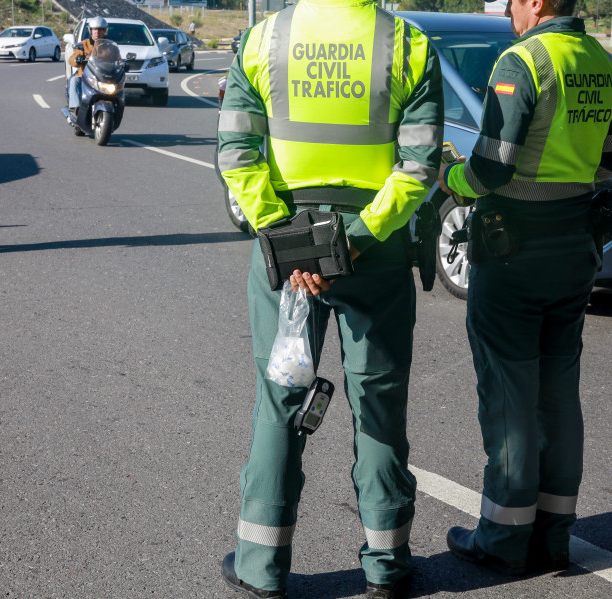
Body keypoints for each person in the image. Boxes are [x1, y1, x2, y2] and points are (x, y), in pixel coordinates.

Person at [217, 0, 443, 596]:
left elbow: (237, 154)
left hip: (287, 249)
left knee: (280, 399)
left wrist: (291, 246)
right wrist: (357, 241)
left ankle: (261, 567)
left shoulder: (262, 39)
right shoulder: (408, 44)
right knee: (379, 404)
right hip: (379, 251)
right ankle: (388, 567)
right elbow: (420, 167)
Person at [437, 0, 612, 577]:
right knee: (558, 391)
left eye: (515, 0)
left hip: (514, 249)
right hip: (576, 248)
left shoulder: (522, 62)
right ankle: (553, 535)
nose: (509, 9)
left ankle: (502, 538)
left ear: (538, 3)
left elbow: (491, 168)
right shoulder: (605, 62)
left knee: (509, 394)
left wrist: (449, 178)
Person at [67, 17, 107, 117]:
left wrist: (123, 64)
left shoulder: (109, 46)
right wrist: (77, 59)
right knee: (74, 80)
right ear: (91, 30)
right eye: (95, 29)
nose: (97, 32)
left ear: (105, 31)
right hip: (85, 76)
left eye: (100, 29)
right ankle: (75, 109)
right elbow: (72, 59)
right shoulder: (83, 44)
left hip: (103, 77)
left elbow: (117, 58)